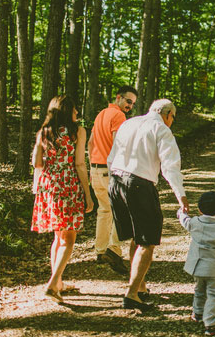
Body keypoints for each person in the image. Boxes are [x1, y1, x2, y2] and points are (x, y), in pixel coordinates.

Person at [107, 98, 189, 311]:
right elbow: (170, 167)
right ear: (168, 114)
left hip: (116, 180)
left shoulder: (128, 123)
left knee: (136, 236)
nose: (172, 122)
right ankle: (132, 293)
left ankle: (140, 286)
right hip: (138, 184)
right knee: (147, 241)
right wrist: (181, 196)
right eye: (173, 118)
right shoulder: (161, 129)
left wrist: (112, 180)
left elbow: (111, 156)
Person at [31, 95, 94, 303]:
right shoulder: (78, 132)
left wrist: (38, 187)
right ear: (68, 111)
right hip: (68, 185)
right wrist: (87, 193)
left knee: (58, 237)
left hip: (48, 186)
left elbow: (36, 163)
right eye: (75, 110)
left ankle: (58, 283)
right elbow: (79, 165)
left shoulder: (44, 131)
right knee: (69, 238)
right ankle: (53, 282)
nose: (77, 113)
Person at [88, 85, 138, 275]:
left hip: (96, 169)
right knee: (121, 210)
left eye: (132, 104)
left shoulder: (101, 114)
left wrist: (92, 163)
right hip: (110, 170)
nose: (130, 106)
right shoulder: (118, 116)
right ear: (118, 98)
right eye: (128, 101)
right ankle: (113, 250)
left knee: (104, 210)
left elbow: (91, 141)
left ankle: (100, 251)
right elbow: (119, 144)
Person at [177, 191, 215, 336]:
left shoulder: (194, 222)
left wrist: (181, 211)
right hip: (213, 268)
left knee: (199, 289)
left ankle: (197, 313)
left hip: (196, 265)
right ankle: (211, 323)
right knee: (213, 294)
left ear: (199, 209)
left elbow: (184, 220)